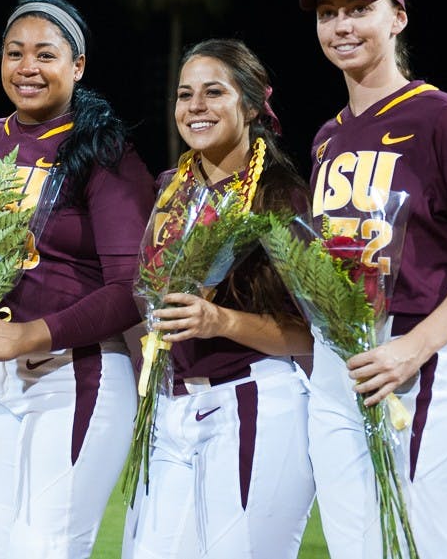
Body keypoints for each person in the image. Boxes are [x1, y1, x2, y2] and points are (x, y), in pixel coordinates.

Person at [298, 0, 447, 558]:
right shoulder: (328, 136)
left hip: (428, 366)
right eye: (327, 13)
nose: (341, 25)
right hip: (342, 368)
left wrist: (414, 348)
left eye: (359, 10)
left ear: (397, 17)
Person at [0, 0, 156, 559]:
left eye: (45, 54)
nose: (28, 68)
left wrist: (23, 335)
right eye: (15, 54)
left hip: (73, 375)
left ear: (77, 66)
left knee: (47, 548)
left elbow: (132, 290)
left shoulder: (103, 148)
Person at [120, 38, 315, 558]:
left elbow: (309, 335)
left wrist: (219, 320)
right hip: (169, 404)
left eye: (213, 92)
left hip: (252, 402)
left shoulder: (279, 194)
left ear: (251, 105)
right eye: (185, 95)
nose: (195, 107)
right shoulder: (169, 187)